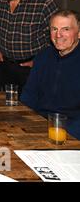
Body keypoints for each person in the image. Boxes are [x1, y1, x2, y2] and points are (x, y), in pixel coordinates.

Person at [0, 0, 58, 89]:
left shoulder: (42, 2)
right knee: (9, 104)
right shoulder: (0, 3)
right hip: (6, 66)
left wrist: (41, 62)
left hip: (33, 66)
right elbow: (1, 30)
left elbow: (57, 37)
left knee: (32, 105)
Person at [21, 10, 80, 140]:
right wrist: (23, 122)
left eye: (66, 29)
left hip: (72, 130)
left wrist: (66, 134)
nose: (58, 35)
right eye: (54, 29)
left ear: (79, 33)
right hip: (39, 123)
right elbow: (29, 94)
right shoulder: (44, 56)